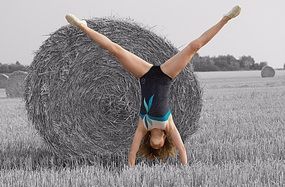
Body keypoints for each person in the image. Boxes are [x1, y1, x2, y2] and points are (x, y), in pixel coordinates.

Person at [65, 5, 241, 167]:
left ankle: (83, 27)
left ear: (149, 141)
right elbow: (182, 150)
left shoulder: (144, 124)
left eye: (152, 146)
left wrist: (131, 170)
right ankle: (226, 19)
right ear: (165, 140)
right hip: (166, 75)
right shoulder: (169, 126)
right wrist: (185, 168)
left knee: (115, 50)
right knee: (193, 47)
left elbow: (133, 151)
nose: (156, 145)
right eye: (160, 146)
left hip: (145, 75)